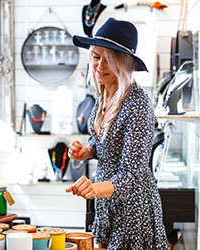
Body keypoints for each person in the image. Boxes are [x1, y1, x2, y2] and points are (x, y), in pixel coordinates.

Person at [66, 18, 169, 249]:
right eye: (96, 57)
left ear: (123, 63)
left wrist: (93, 189)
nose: (100, 66)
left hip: (133, 211)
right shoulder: (103, 94)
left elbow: (130, 176)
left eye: (109, 60)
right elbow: (100, 141)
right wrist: (87, 151)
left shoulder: (138, 104)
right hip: (106, 201)